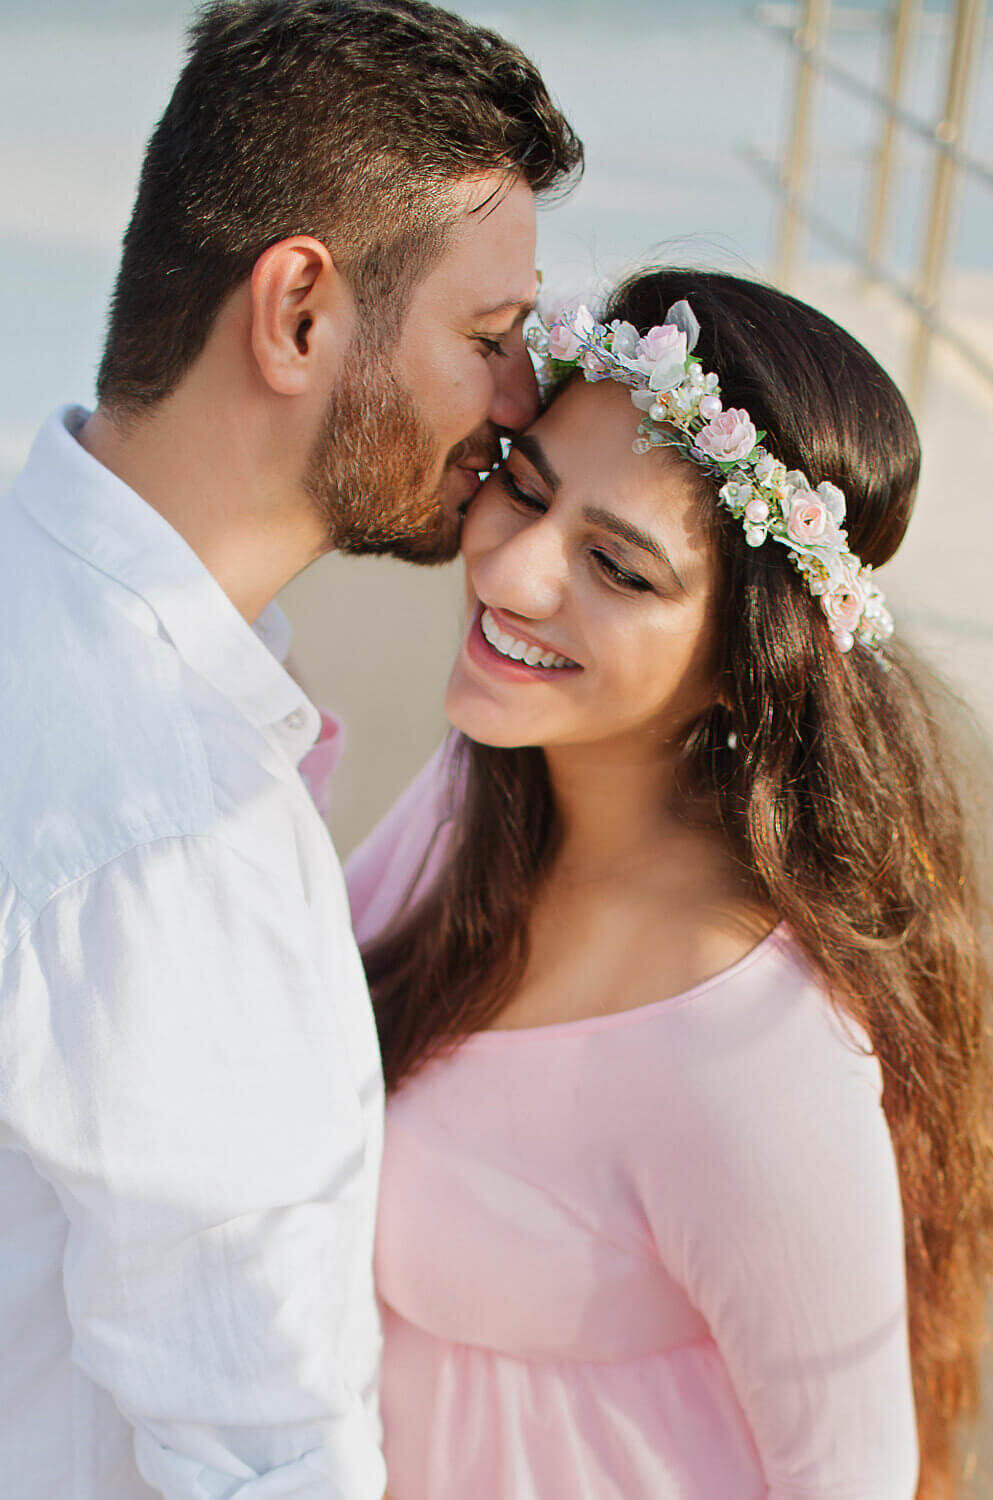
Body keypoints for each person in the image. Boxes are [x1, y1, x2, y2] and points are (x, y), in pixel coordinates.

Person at [0, 2, 580, 1496]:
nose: (520, 415)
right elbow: (265, 1457)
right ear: (301, 313)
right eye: (492, 341)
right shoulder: (167, 829)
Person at [346, 267, 993, 1500]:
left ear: (740, 663)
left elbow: (849, 1479)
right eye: (524, 489)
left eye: (621, 570)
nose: (513, 572)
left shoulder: (753, 1048)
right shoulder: (475, 793)